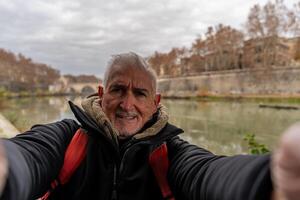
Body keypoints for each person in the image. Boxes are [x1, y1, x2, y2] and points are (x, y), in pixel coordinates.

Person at [0, 52, 299, 200]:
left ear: (155, 102)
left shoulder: (170, 154)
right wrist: (6, 168)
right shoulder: (68, 138)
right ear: (102, 95)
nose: (127, 104)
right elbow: (31, 154)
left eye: (140, 93)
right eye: (118, 89)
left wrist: (267, 181)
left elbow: (207, 172)